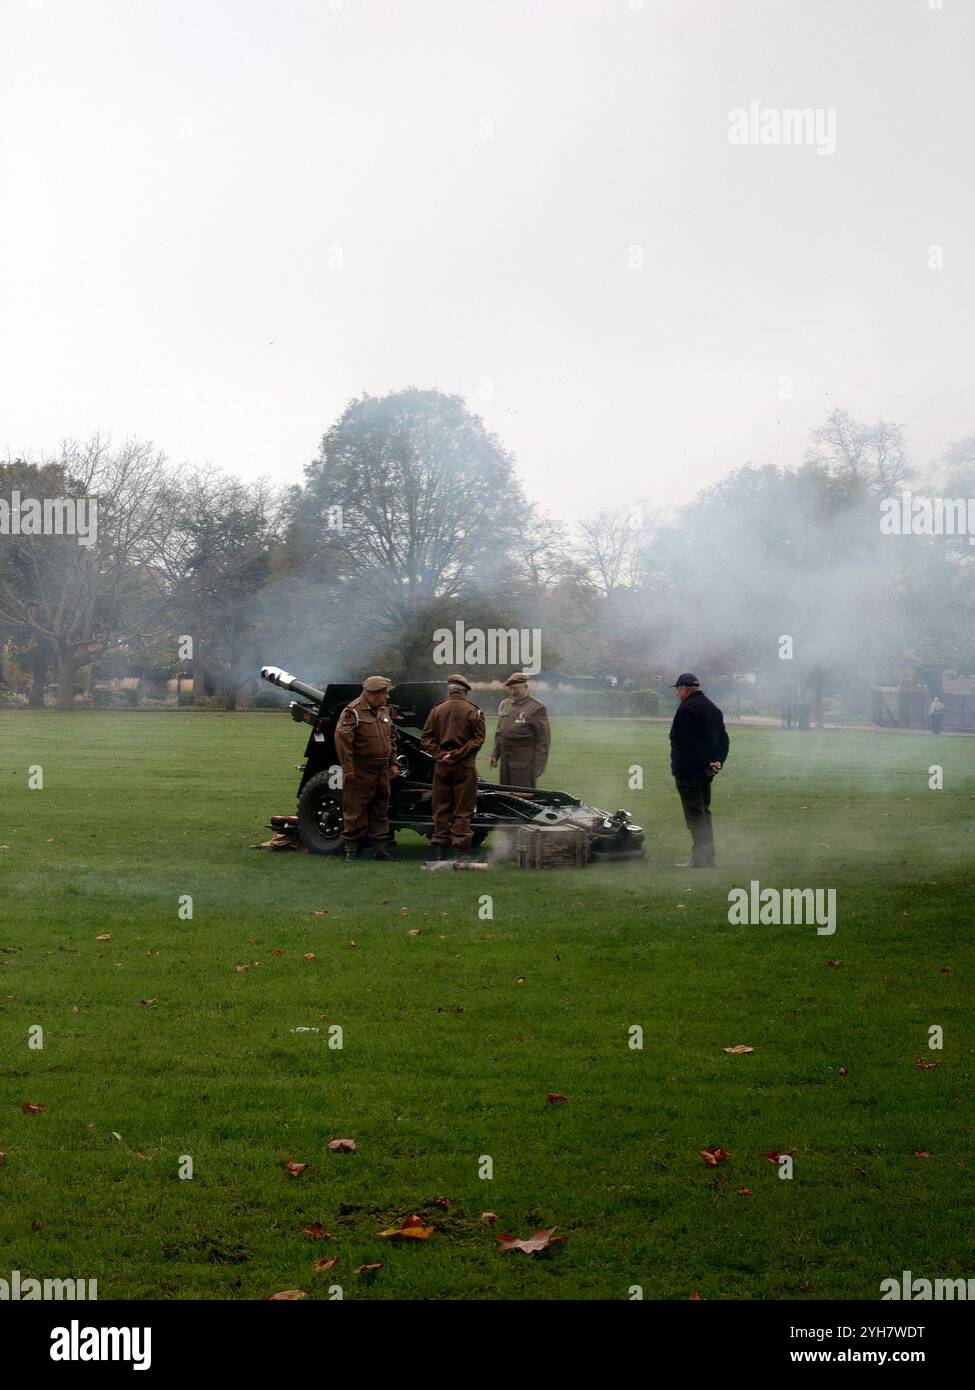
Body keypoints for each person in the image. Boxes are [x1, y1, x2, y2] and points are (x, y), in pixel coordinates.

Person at [333, 675, 399, 862]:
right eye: (384, 694)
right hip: (361, 770)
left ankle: (380, 848)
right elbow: (343, 742)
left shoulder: (383, 711)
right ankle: (351, 850)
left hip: (382, 769)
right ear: (372, 694)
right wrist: (348, 769)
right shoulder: (352, 712)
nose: (387, 697)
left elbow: (391, 738)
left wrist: (393, 763)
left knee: (380, 809)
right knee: (355, 809)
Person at [421, 674, 486, 860]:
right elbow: (478, 739)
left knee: (441, 808)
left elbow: (425, 738)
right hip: (464, 766)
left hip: (442, 766)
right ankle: (461, 850)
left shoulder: (437, 710)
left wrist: (442, 754)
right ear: (464, 691)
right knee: (463, 810)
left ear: (449, 691)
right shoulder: (474, 711)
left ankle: (440, 849)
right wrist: (458, 754)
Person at [669, 673, 729, 869]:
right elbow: (723, 739)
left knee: (695, 816)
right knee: (704, 812)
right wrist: (717, 761)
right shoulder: (713, 708)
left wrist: (706, 763)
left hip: (689, 771)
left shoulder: (686, 709)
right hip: (706, 772)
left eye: (678, 690)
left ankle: (699, 859)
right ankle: (709, 857)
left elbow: (684, 741)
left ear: (683, 688)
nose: (678, 694)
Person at [490, 672, 551, 788]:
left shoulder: (536, 707)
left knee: (523, 796)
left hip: (524, 763)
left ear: (526, 687)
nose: (513, 692)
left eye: (516, 688)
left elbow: (543, 739)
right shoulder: (505, 704)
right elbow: (500, 732)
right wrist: (495, 754)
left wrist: (539, 766)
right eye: (511, 688)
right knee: (505, 795)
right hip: (505, 761)